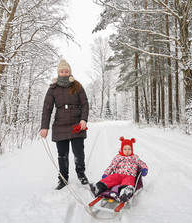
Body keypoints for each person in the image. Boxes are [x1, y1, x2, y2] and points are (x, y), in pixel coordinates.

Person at [40, 59, 89, 190]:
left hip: (76, 123)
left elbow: (85, 104)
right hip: (60, 124)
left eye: (66, 71)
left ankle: (81, 173)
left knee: (78, 152)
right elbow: (47, 108)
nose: (64, 73)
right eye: (61, 71)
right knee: (62, 154)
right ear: (58, 73)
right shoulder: (52, 88)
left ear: (69, 72)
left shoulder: (77, 85)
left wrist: (83, 119)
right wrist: (44, 127)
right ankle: (63, 179)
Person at [89, 136, 148, 202]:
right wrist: (106, 173)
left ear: (132, 149)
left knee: (128, 182)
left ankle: (125, 193)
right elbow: (112, 166)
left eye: (129, 149)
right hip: (118, 175)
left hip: (129, 176)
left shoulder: (135, 157)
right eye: (125, 149)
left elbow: (141, 163)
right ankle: (98, 188)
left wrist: (144, 168)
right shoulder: (118, 157)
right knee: (110, 178)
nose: (127, 151)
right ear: (122, 149)